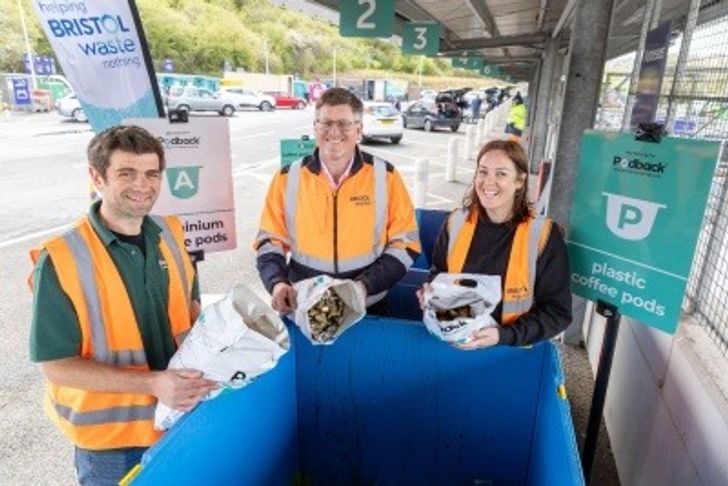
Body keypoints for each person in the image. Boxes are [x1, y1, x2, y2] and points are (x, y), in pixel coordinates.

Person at [28, 125, 218, 485]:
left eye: (151, 174)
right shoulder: (62, 260)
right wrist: (154, 384)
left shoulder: (171, 234)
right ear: (97, 177)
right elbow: (57, 368)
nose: (142, 185)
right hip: (112, 447)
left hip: (180, 422)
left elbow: (191, 314)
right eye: (126, 173)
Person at [254, 87, 421, 315]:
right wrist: (276, 283)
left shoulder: (386, 176)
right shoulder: (286, 178)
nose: (334, 132)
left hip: (368, 303)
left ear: (359, 130)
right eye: (326, 123)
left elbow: (406, 244)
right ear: (315, 127)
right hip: (304, 304)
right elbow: (269, 241)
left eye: (344, 124)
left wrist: (362, 288)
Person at [418, 140, 571, 349]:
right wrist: (431, 297)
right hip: (457, 343)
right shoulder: (456, 223)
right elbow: (439, 276)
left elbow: (557, 313)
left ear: (520, 180)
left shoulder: (543, 235)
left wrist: (504, 336)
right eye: (483, 172)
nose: (488, 182)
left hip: (512, 352)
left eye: (501, 174)